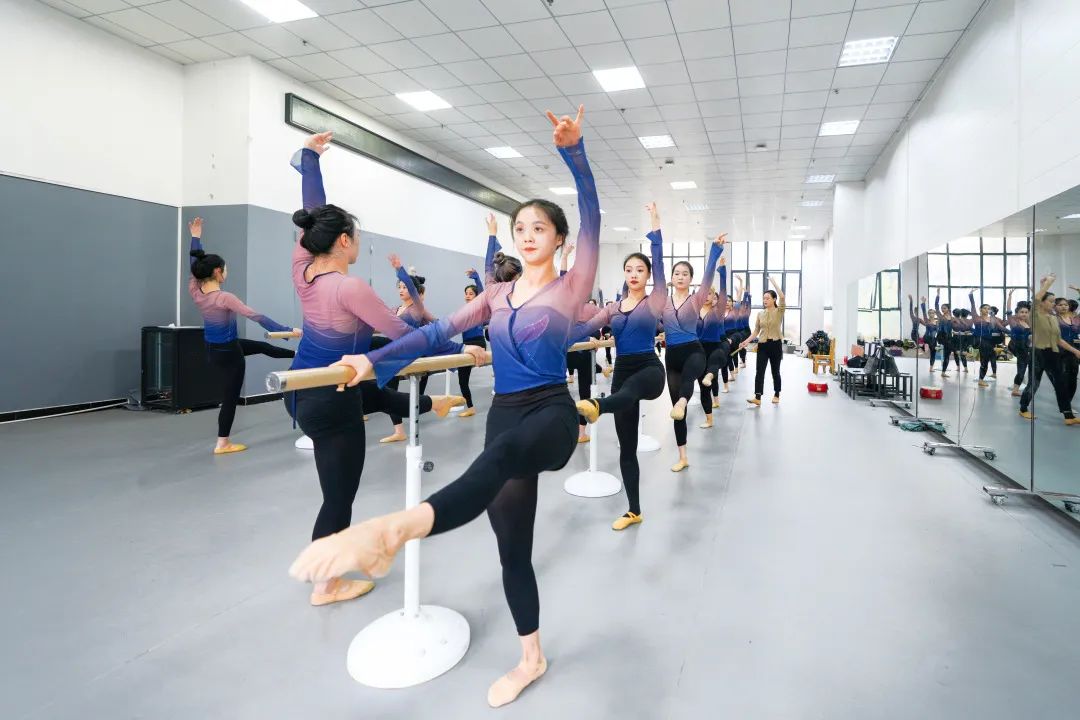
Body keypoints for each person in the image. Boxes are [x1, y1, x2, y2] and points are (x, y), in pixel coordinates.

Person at [289, 107, 598, 708]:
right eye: (520, 227)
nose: (528, 234)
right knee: (512, 548)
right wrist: (372, 361)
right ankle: (531, 657)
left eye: (539, 227)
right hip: (505, 411)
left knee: (500, 459)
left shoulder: (572, 286)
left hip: (550, 413)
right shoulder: (497, 295)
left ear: (559, 239)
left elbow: (594, 217)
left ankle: (397, 529)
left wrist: (574, 155)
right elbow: (435, 333)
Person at [284, 132, 464, 607]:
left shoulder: (303, 268)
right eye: (357, 238)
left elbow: (312, 211)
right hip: (331, 397)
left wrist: (310, 161)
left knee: (375, 392)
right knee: (338, 496)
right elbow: (410, 337)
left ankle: (432, 403)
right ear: (345, 241)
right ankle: (326, 583)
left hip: (304, 390)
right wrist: (462, 344)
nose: (358, 244)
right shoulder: (350, 288)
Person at [572, 202, 667, 529]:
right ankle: (634, 510)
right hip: (623, 370)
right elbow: (584, 328)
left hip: (649, 370)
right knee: (627, 448)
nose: (634, 274)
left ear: (647, 275)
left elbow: (659, 264)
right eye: (629, 270)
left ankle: (597, 406)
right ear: (624, 275)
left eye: (640, 270)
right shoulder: (612, 309)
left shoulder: (654, 300)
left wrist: (655, 228)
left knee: (629, 391)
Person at [187, 217, 296, 455]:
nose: (227, 272)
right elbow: (255, 316)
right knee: (230, 397)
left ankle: (297, 355)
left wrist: (196, 237)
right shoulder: (224, 298)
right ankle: (222, 443)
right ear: (218, 272)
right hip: (230, 353)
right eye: (225, 269)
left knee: (260, 347)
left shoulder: (195, 290)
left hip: (213, 349)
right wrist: (286, 330)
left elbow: (194, 263)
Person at [662, 227, 725, 472]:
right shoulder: (663, 301)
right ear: (671, 277)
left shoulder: (697, 299)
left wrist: (715, 250)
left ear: (691, 279)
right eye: (677, 273)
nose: (680, 277)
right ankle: (683, 456)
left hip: (693, 351)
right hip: (671, 356)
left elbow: (709, 275)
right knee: (677, 411)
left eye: (685, 274)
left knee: (686, 385)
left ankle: (683, 400)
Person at [381, 256, 434, 443]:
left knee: (415, 390)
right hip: (394, 353)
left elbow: (436, 322)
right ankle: (399, 430)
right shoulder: (395, 309)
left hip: (411, 352)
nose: (402, 290)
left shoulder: (417, 308)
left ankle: (423, 408)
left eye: (405, 287)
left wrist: (400, 269)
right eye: (400, 287)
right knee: (388, 391)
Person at [1018, 275, 1080, 424]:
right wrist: (1046, 284)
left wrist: (1075, 351)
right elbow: (1036, 300)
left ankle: (1068, 416)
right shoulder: (1035, 315)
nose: (1054, 304)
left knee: (1060, 383)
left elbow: (1058, 339)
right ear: (1042, 302)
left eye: (1054, 302)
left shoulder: (1052, 318)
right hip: (1038, 353)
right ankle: (1023, 408)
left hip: (1052, 353)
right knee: (1034, 384)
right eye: (1051, 301)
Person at [739, 276, 786, 405]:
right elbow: (756, 332)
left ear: (774, 299)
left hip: (775, 345)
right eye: (764, 298)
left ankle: (777, 394)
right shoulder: (760, 314)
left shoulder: (779, 311)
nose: (765, 300)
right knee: (759, 371)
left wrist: (774, 282)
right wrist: (746, 341)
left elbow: (782, 297)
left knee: (775, 371)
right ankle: (757, 397)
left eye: (767, 298)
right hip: (763, 346)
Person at [1005, 292, 1031, 397]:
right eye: (1022, 312)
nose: (1024, 314)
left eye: (1026, 312)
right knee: (1021, 369)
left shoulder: (1028, 323)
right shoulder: (1014, 322)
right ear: (1017, 313)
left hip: (1026, 347)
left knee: (1024, 369)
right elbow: (1008, 311)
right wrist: (1010, 297)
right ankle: (1015, 390)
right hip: (1017, 347)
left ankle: (1018, 388)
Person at [1054, 295, 1079, 407]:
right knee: (1063, 378)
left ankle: (1067, 404)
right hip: (1059, 350)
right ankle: (1064, 405)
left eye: (1066, 305)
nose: (1064, 307)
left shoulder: (1074, 319)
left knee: (1073, 379)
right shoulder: (1053, 319)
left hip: (1074, 351)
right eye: (1060, 305)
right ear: (1055, 307)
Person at [910, 295, 938, 372]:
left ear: (935, 314)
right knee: (925, 345)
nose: (931, 314)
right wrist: (923, 303)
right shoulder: (926, 320)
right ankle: (922, 349)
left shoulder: (937, 322)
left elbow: (938, 331)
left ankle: (931, 368)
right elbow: (924, 312)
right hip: (927, 338)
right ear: (928, 314)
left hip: (934, 339)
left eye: (933, 313)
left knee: (933, 353)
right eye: (930, 313)